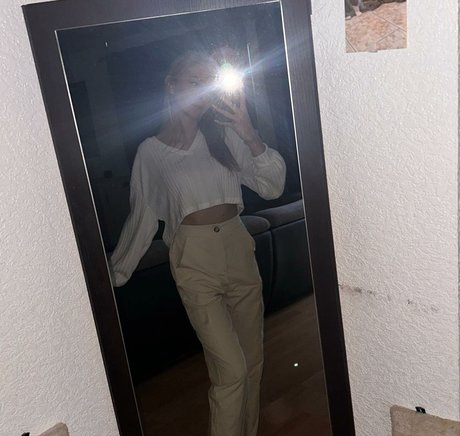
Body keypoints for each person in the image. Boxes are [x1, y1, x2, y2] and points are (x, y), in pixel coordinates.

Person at [109, 51, 286, 436]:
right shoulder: (151, 153)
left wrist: (248, 132)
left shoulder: (224, 136)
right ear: (172, 86)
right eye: (195, 81)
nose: (203, 91)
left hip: (238, 249)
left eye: (209, 83)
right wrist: (113, 275)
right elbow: (142, 218)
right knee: (231, 370)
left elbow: (272, 187)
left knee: (252, 364)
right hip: (194, 260)